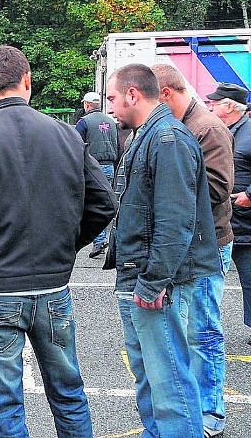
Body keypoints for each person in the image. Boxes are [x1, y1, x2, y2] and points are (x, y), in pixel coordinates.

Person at [0, 45, 117, 437]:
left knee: (4, 403)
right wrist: (65, 246)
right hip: (52, 284)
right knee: (68, 392)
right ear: (28, 82)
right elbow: (103, 203)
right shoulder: (66, 134)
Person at [104, 63, 220, 437]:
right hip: (140, 275)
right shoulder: (148, 135)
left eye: (113, 98)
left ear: (133, 95)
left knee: (167, 379)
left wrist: (154, 282)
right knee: (151, 377)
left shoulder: (168, 140)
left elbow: (175, 220)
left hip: (155, 283)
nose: (109, 107)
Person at [151, 64, 234, 438]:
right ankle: (191, 409)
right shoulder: (186, 126)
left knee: (203, 333)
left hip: (207, 246)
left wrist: (166, 194)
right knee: (186, 332)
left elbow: (216, 190)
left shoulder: (207, 129)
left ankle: (211, 414)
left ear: (166, 94)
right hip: (189, 244)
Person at [206, 82, 251, 347]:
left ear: (230, 106)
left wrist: (250, 194)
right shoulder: (227, 130)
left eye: (215, 102)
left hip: (246, 223)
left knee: (249, 278)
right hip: (227, 221)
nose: (210, 105)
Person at [75, 91, 119, 258]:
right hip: (110, 167)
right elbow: (117, 145)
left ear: (87, 105)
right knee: (106, 202)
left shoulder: (84, 122)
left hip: (92, 168)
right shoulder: (110, 121)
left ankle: (98, 240)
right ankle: (104, 238)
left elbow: (77, 145)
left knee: (91, 204)